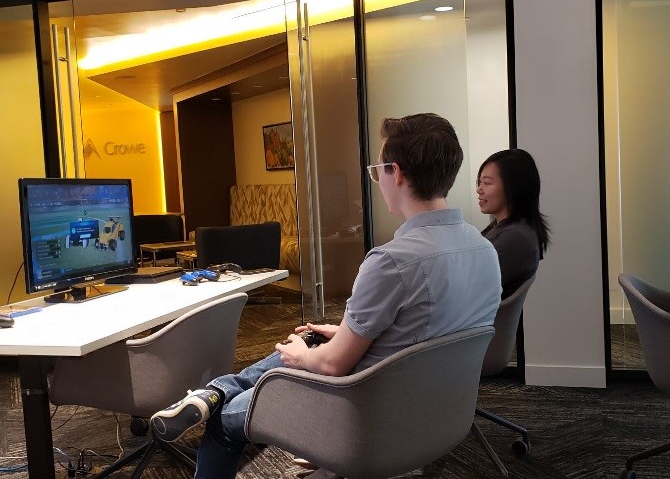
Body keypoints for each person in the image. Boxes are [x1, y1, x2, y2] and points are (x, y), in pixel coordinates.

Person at [150, 113, 502, 479]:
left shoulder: (391, 262)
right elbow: (429, 334)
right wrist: (346, 334)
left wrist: (302, 357)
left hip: (364, 413)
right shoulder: (484, 250)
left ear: (396, 173)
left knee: (226, 419)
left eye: (377, 171)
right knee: (316, 337)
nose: (378, 181)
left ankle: (216, 398)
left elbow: (333, 366)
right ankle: (215, 391)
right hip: (438, 407)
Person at [476, 148, 551, 298]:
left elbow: (466, 285)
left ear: (513, 187)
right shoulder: (507, 229)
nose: (479, 189)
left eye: (487, 183)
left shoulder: (516, 237)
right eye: (479, 182)